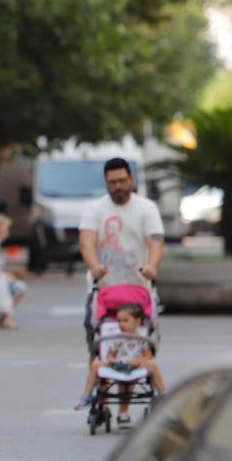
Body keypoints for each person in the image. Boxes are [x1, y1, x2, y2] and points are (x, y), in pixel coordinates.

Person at [78, 157, 164, 291]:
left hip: (139, 289)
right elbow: (86, 242)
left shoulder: (147, 208)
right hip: (104, 290)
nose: (118, 186)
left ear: (131, 178)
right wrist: (95, 266)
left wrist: (151, 267)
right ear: (105, 182)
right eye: (112, 182)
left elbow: (155, 241)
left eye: (122, 181)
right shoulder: (93, 209)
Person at [75, 301, 166, 414]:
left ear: (137, 322)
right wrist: (111, 359)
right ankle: (86, 395)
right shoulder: (117, 337)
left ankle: (163, 393)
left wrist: (139, 361)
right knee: (95, 365)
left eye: (125, 321)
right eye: (119, 321)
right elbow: (111, 353)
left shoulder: (142, 338)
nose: (121, 324)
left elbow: (148, 356)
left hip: (134, 365)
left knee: (152, 365)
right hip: (118, 364)